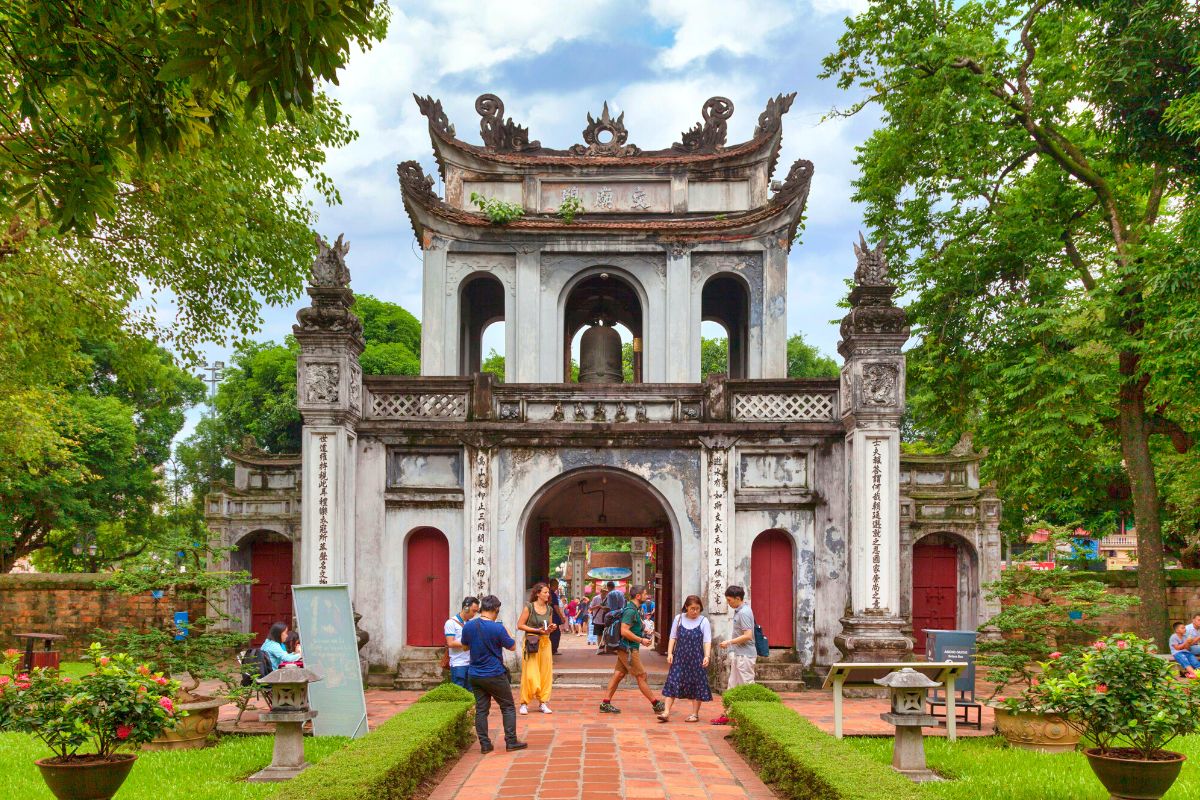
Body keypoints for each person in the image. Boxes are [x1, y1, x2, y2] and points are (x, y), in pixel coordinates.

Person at [461, 595, 526, 753]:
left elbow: (464, 647)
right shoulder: (497, 628)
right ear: (496, 609)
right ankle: (511, 741)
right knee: (508, 706)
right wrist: (504, 628)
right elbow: (511, 646)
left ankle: (485, 744)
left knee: (482, 709)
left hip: (475, 674)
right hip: (494, 673)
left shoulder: (469, 626)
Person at [599, 584, 666, 716]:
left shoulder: (633, 608)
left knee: (619, 674)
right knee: (641, 675)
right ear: (638, 596)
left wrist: (643, 630)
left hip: (626, 647)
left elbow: (631, 627)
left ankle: (605, 703)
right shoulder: (630, 610)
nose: (647, 597)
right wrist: (641, 640)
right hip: (628, 649)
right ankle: (656, 703)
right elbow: (624, 631)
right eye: (645, 594)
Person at [659, 595, 713, 723]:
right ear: (686, 607)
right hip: (680, 658)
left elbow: (707, 641)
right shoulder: (678, 619)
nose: (695, 611)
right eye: (692, 608)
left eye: (697, 609)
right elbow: (673, 637)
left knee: (696, 685)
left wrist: (707, 656)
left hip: (696, 659)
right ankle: (666, 712)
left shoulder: (703, 621)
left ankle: (695, 714)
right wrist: (670, 653)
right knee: (673, 682)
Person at [712, 585, 756, 725]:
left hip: (745, 656)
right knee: (733, 686)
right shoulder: (740, 611)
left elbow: (748, 635)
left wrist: (729, 642)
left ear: (738, 598)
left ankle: (752, 717)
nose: (728, 603)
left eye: (730, 600)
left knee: (747, 686)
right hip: (739, 654)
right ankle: (729, 714)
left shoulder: (744, 612)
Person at [517, 582, 557, 714]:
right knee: (530, 674)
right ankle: (524, 702)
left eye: (548, 592)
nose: (547, 594)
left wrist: (551, 628)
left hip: (545, 643)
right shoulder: (529, 607)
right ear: (538, 593)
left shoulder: (549, 609)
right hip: (531, 642)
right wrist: (536, 630)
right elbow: (520, 625)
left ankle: (543, 702)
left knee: (545, 673)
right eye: (545, 592)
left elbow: (548, 627)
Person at [444, 596, 480, 689]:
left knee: (471, 693)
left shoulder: (470, 624)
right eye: (473, 611)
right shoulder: (451, 623)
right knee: (459, 693)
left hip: (471, 663)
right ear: (466, 608)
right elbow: (450, 643)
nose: (474, 614)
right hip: (458, 664)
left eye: (476, 611)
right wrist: (470, 643)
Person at [548, 579, 565, 655]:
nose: (557, 587)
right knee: (555, 633)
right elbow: (556, 607)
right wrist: (561, 616)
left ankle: (551, 649)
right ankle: (553, 649)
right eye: (557, 585)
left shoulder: (550, 593)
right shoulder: (552, 595)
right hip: (554, 616)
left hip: (549, 615)